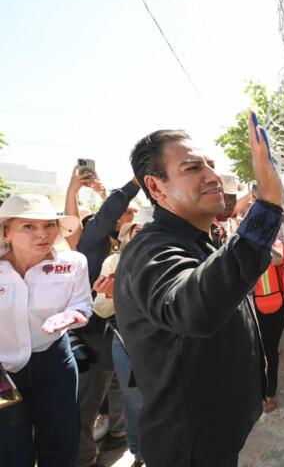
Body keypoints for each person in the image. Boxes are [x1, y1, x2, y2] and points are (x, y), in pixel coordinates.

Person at [114, 109, 284, 467]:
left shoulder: (201, 240)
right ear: (156, 187)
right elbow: (194, 310)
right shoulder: (151, 249)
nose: (213, 177)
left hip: (221, 435)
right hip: (189, 446)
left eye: (210, 165)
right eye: (192, 168)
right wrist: (266, 205)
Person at [0, 193, 93, 466]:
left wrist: (71, 315)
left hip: (54, 363)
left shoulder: (73, 263)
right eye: (29, 226)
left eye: (49, 225)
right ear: (7, 232)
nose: (42, 234)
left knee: (62, 444)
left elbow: (83, 305)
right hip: (2, 371)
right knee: (11, 449)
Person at [72, 173, 141, 467]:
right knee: (83, 409)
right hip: (96, 338)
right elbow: (109, 211)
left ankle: (116, 437)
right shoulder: (93, 246)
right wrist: (135, 183)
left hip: (123, 339)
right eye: (125, 211)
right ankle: (86, 459)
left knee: (121, 396)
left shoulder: (128, 250)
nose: (129, 215)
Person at [92, 221, 145, 466]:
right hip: (125, 341)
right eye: (137, 230)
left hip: (164, 342)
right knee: (134, 401)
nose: (142, 235)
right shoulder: (113, 263)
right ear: (127, 236)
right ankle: (137, 451)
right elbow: (101, 310)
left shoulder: (168, 257)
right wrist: (113, 295)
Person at [253, 236, 284, 413]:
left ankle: (270, 394)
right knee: (261, 351)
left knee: (271, 352)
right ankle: (261, 392)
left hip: (277, 308)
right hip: (258, 307)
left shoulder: (277, 245)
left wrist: (261, 243)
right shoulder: (252, 249)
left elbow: (278, 259)